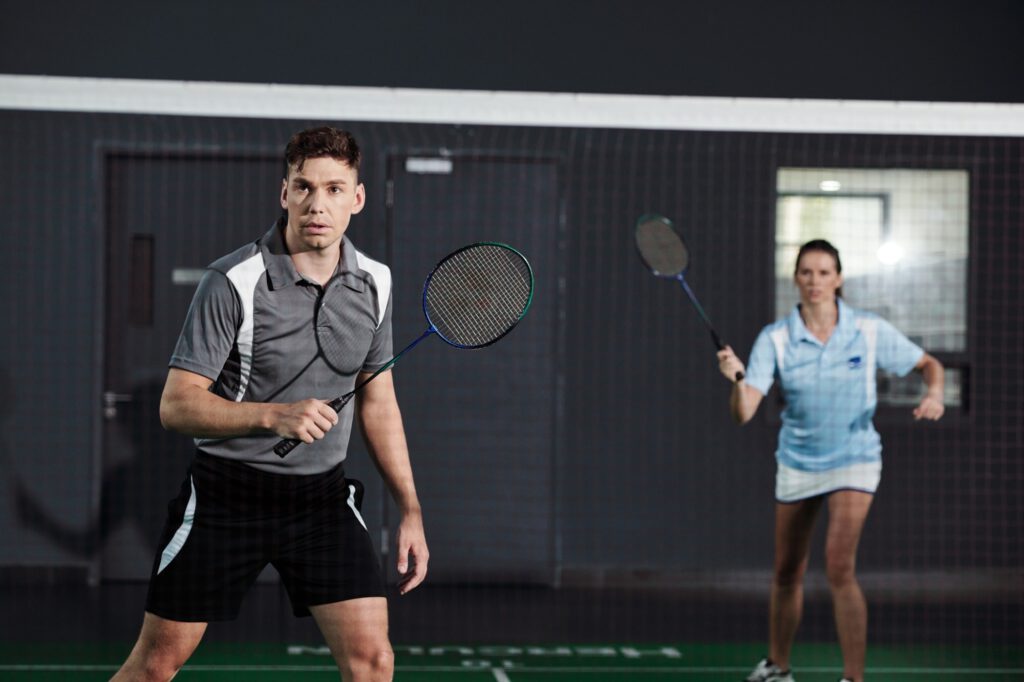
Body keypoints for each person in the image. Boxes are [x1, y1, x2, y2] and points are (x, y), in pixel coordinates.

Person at [112, 126, 428, 682]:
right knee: (154, 667)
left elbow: (378, 401)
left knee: (374, 662)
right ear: (284, 193)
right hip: (227, 498)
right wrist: (271, 415)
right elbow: (176, 406)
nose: (317, 205)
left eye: (334, 189)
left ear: (357, 198)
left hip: (321, 502)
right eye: (304, 187)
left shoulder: (375, 283)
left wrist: (411, 510)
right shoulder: (233, 281)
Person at [716, 240, 944, 682]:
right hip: (799, 461)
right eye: (806, 272)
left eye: (824, 273)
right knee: (787, 571)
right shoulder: (776, 337)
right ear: (796, 279)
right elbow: (744, 413)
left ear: (838, 279)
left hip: (854, 458)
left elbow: (929, 364)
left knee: (839, 564)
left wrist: (934, 393)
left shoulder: (869, 329)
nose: (815, 281)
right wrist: (736, 380)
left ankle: (853, 678)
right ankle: (778, 667)